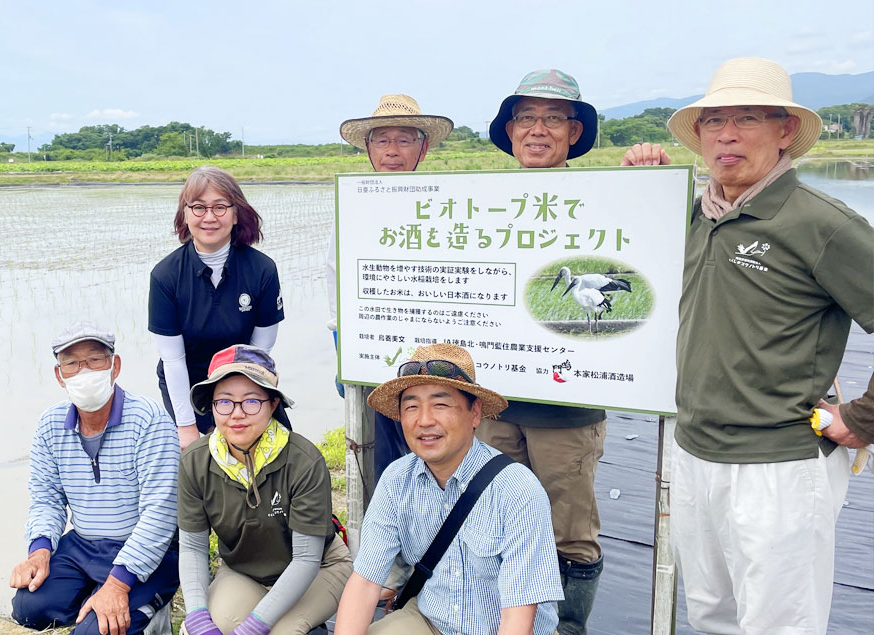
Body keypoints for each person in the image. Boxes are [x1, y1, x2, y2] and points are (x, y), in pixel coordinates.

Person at [665, 57, 874, 635]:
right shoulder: (695, 214)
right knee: (710, 616)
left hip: (778, 466)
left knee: (780, 626)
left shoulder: (820, 222)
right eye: (713, 121)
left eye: (747, 118)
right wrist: (644, 173)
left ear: (785, 132)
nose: (726, 135)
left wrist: (863, 418)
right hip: (693, 454)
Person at [483, 68, 671, 634]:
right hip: (493, 403)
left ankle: (568, 625)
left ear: (574, 132)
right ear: (510, 130)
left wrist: (653, 182)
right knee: (498, 519)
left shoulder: (608, 201)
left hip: (568, 407)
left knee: (569, 530)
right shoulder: (480, 206)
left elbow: (663, 248)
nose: (538, 130)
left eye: (554, 118)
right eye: (526, 118)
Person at [334, 344, 563, 635]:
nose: (424, 420)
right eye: (411, 406)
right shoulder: (396, 480)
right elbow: (365, 582)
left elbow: (518, 619)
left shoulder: (518, 491)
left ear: (475, 413)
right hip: (431, 619)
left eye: (441, 404)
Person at [10, 322, 181, 635]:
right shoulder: (50, 425)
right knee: (28, 609)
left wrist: (117, 584)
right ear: (59, 375)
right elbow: (46, 499)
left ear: (114, 366)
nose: (83, 371)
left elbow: (160, 511)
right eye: (72, 363)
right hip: (84, 546)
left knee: (93, 633)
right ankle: (98, 600)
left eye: (94, 360)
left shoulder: (150, 420)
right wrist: (39, 551)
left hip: (146, 548)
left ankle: (150, 614)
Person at [177, 345, 353, 635]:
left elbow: (306, 559)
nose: (236, 414)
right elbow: (194, 546)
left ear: (273, 404)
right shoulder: (195, 461)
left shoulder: (304, 460)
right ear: (211, 405)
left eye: (251, 401)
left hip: (319, 569)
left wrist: (255, 625)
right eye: (224, 402)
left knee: (281, 631)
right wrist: (196, 615)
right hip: (242, 571)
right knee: (213, 626)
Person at [331, 94, 454, 478]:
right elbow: (336, 286)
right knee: (380, 459)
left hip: (431, 360)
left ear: (424, 146)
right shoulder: (350, 207)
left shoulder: (447, 205)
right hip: (372, 353)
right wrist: (342, 355)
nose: (392, 151)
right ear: (368, 147)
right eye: (382, 140)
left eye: (404, 139)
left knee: (438, 454)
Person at [150, 166, 285, 451]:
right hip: (186, 384)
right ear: (185, 214)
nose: (209, 217)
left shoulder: (262, 270)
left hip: (245, 377)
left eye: (220, 207)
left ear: (236, 214)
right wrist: (187, 427)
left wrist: (238, 407)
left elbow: (259, 353)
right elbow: (172, 360)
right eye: (198, 207)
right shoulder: (165, 275)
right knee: (196, 463)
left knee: (273, 450)